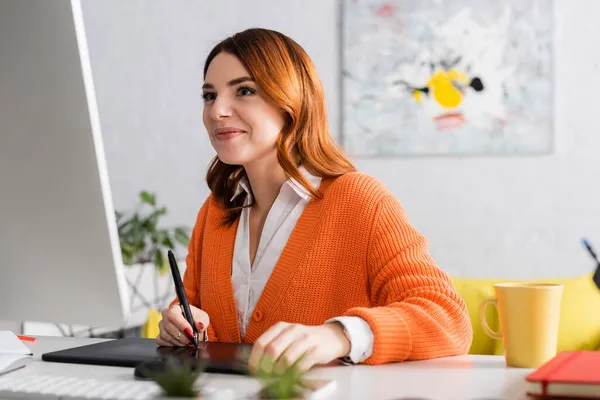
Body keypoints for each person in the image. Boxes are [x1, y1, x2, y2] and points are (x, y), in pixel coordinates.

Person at [157, 27, 472, 372]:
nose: (217, 110)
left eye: (244, 91)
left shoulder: (359, 200)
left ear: (290, 101)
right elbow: (200, 321)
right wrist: (181, 325)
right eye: (209, 95)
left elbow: (448, 317)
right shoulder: (215, 213)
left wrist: (338, 336)